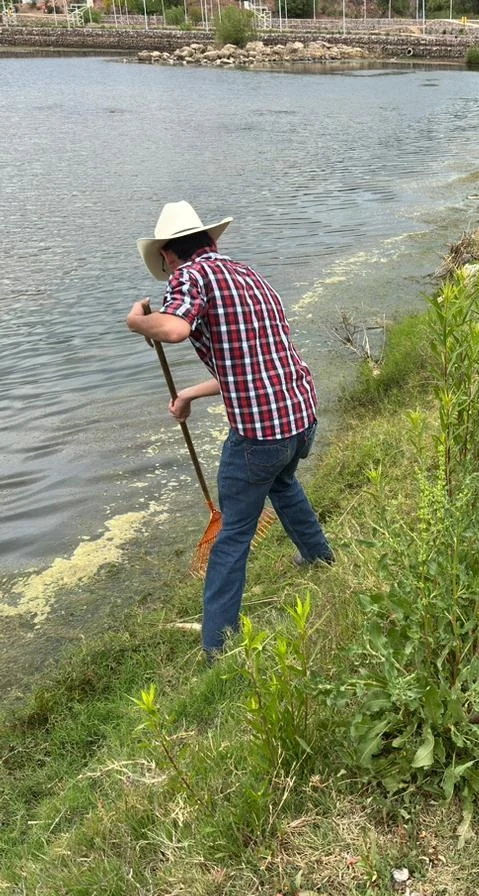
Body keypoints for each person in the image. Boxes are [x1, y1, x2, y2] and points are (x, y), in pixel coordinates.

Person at [126, 201, 334, 663]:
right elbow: (252, 363)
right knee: (282, 481)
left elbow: (176, 330)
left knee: (234, 532)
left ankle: (217, 646)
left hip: (261, 435)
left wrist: (137, 321)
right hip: (300, 418)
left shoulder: (191, 277)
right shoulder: (248, 276)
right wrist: (189, 395)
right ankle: (319, 558)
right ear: (212, 242)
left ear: (167, 257)